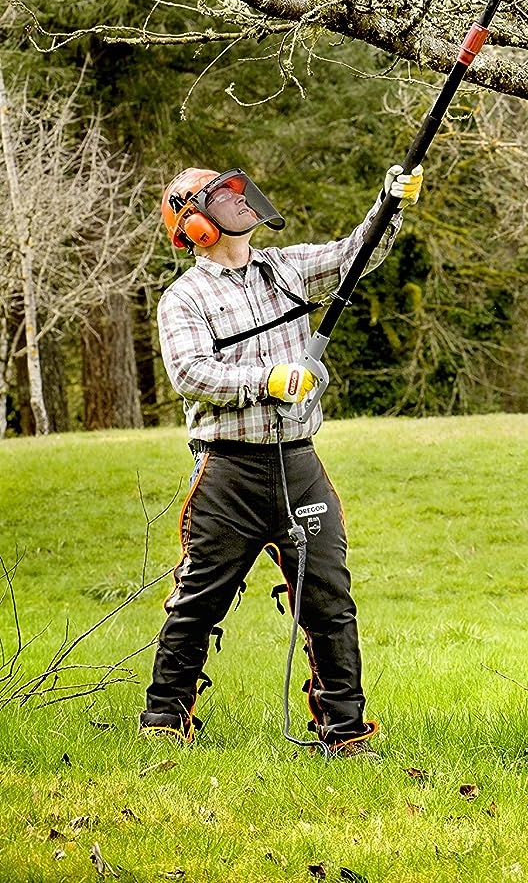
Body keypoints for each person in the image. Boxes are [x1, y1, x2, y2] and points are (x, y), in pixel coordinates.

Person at [140, 161, 423, 751]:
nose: (242, 202)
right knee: (198, 598)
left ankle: (343, 732)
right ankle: (164, 723)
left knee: (329, 599)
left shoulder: (286, 268)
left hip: (298, 462)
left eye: (242, 192)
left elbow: (354, 256)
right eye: (225, 197)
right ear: (194, 225)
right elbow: (191, 374)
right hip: (228, 472)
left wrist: (389, 202)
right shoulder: (183, 298)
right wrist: (265, 379)